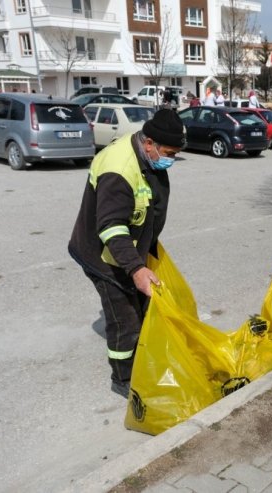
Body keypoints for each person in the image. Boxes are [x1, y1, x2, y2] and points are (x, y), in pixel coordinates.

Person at [68, 109, 186, 399]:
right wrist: (135, 268)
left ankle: (143, 359)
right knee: (125, 317)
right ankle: (123, 378)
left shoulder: (149, 160)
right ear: (149, 143)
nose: (171, 159)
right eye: (169, 152)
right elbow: (110, 227)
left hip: (130, 250)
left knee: (145, 307)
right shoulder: (118, 169)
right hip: (102, 256)